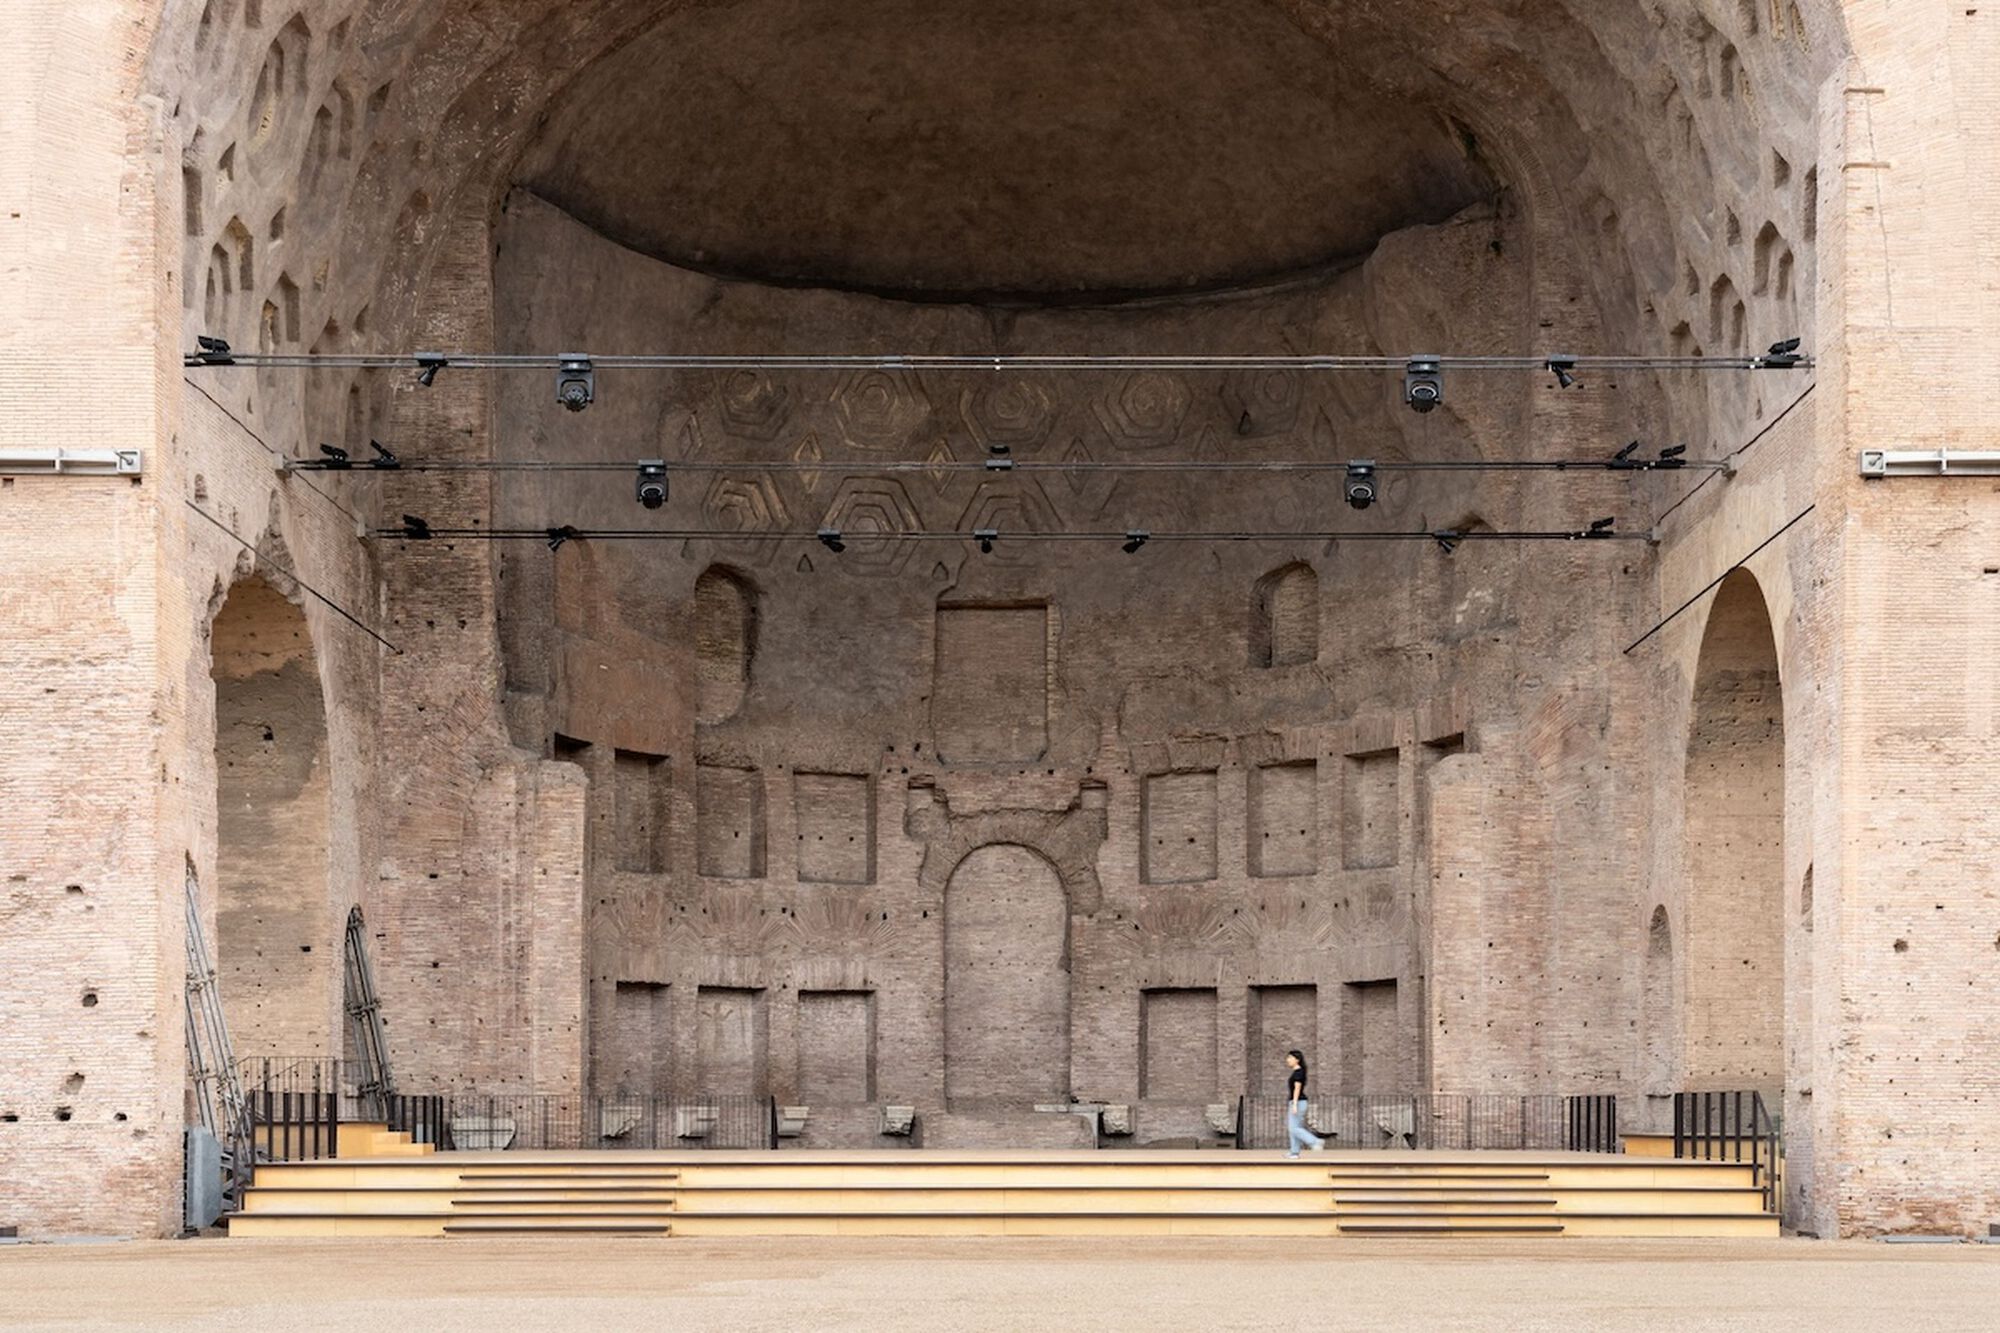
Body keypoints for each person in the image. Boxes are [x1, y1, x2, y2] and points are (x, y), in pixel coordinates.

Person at [1283, 1049, 1326, 1158]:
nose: (1287, 1060)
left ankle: (1315, 1141)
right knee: (1294, 1128)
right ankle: (1294, 1152)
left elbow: (1297, 1089)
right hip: (1297, 1101)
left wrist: (1295, 1104)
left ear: (1297, 1060)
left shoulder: (1299, 1072)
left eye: (1290, 1058)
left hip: (1298, 1101)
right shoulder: (1298, 1072)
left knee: (1294, 1128)